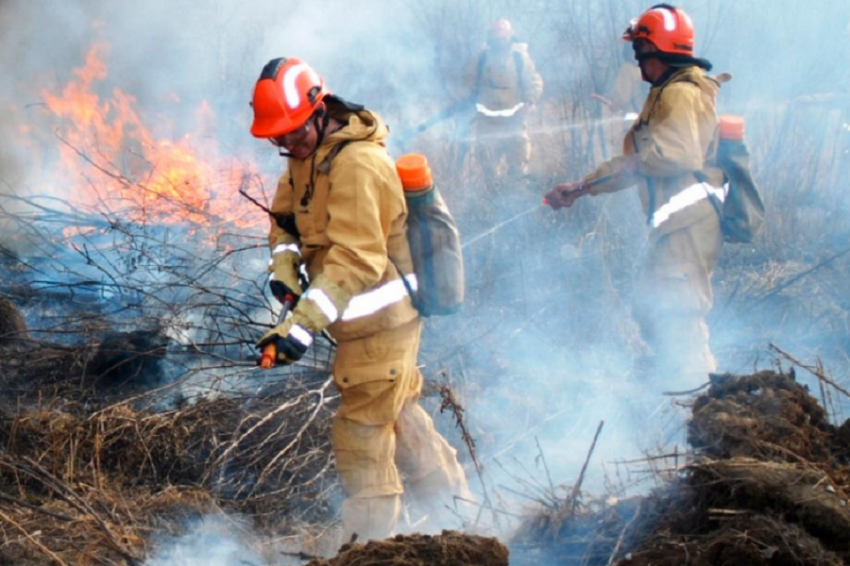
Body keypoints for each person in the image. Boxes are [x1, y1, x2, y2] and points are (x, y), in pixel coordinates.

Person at [250, 57, 469, 542]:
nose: (285, 145)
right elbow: (284, 221)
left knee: (361, 436)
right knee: (401, 418)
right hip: (357, 326)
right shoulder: (304, 155)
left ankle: (369, 549)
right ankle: (462, 524)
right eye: (277, 138)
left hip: (383, 324)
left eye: (292, 134)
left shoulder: (358, 166)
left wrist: (300, 325)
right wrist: (284, 268)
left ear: (319, 111)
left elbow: (356, 260)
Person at [545, 4, 725, 393]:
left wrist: (626, 169)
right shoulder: (669, 91)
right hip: (679, 224)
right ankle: (680, 381)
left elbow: (676, 155)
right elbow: (641, 161)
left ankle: (696, 395)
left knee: (677, 311)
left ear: (654, 51)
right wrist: (582, 187)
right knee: (652, 306)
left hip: (688, 226)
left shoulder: (678, 93)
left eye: (640, 52)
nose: (637, 61)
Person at [465, 18, 544, 189]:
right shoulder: (481, 58)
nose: (498, 36)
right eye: (495, 32)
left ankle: (515, 200)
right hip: (487, 122)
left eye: (502, 32)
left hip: (514, 122)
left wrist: (529, 103)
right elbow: (469, 83)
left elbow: (534, 82)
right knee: (488, 171)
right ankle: (493, 203)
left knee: (519, 167)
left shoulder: (519, 57)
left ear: (510, 34)